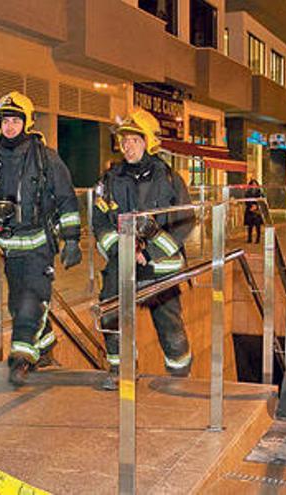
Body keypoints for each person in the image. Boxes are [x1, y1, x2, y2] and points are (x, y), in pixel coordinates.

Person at [0, 91, 82, 386]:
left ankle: (21, 359)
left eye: (15, 120)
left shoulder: (47, 159)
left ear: (27, 123)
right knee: (18, 303)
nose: (9, 126)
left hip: (39, 246)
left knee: (29, 302)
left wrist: (72, 239)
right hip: (10, 248)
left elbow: (66, 200)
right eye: (5, 121)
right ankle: (46, 345)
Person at [92, 108, 195, 390]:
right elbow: (99, 221)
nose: (127, 146)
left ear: (149, 141)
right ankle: (121, 370)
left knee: (169, 326)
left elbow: (184, 223)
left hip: (161, 269)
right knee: (111, 316)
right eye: (124, 141)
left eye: (134, 140)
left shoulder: (171, 179)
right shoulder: (109, 180)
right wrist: (120, 250)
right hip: (121, 264)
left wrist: (149, 253)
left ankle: (179, 375)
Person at [244, 178, 264, 243]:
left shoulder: (260, 192)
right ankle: (249, 238)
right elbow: (246, 200)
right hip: (250, 210)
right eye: (252, 184)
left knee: (258, 226)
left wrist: (257, 206)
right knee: (250, 226)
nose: (254, 186)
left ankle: (258, 239)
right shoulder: (247, 192)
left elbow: (262, 200)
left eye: (255, 184)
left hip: (257, 211)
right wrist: (251, 206)